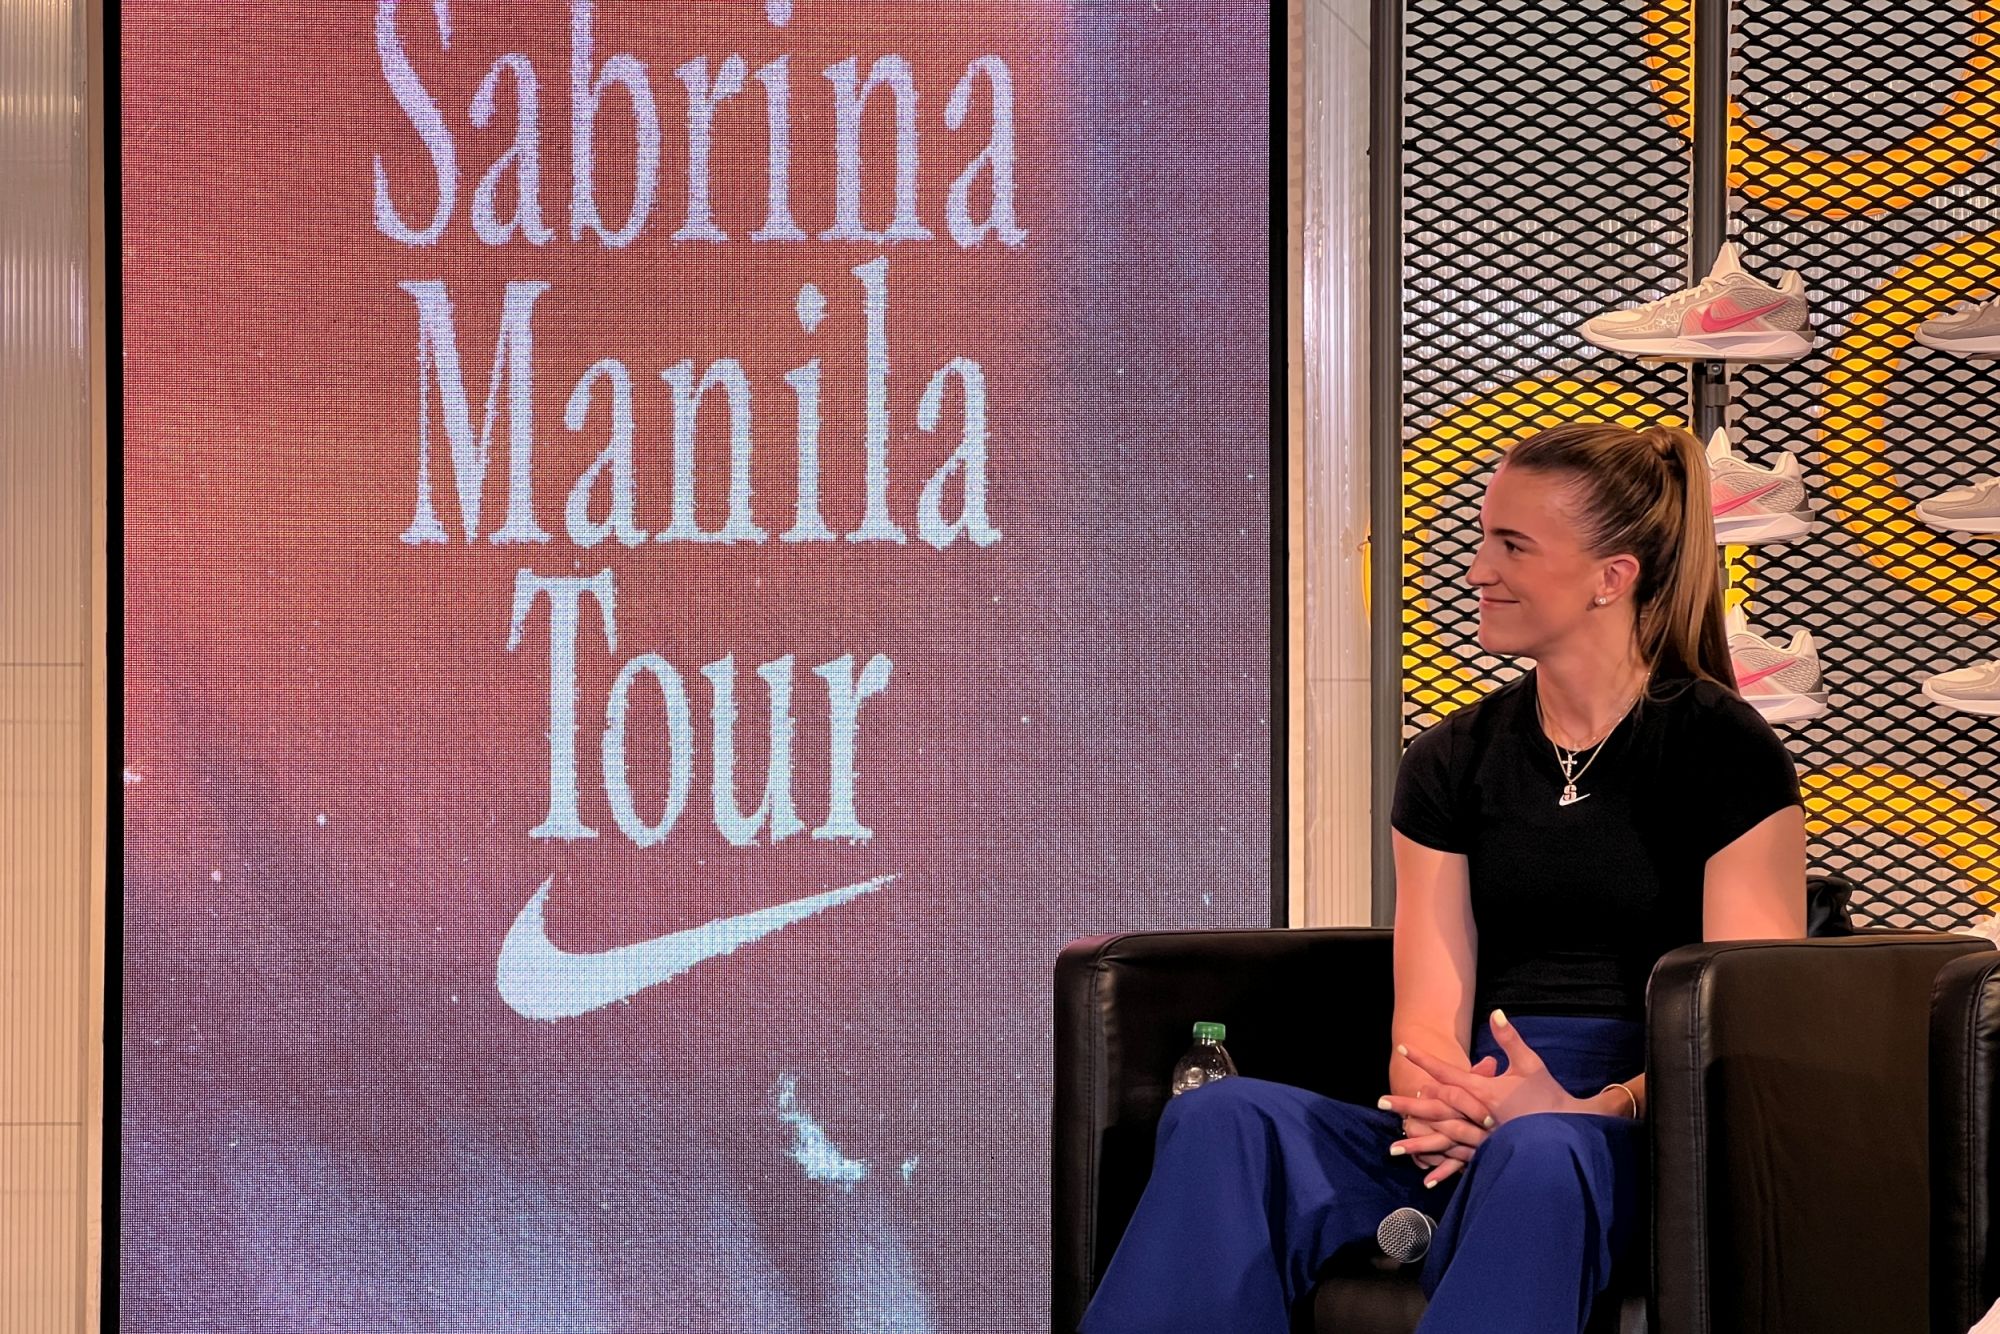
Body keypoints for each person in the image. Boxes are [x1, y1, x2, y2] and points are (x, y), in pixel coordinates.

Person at [1075, 422, 1806, 1333]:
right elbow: (1426, 1014)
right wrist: (1448, 1107)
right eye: (1483, 537)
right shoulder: (1451, 759)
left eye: (1513, 545)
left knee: (1541, 1153)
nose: (1477, 569)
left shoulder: (1724, 754)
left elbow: (1740, 1032)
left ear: (1609, 577)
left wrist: (1585, 1105)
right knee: (1226, 1122)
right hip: (1472, 1114)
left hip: (1636, 1129)